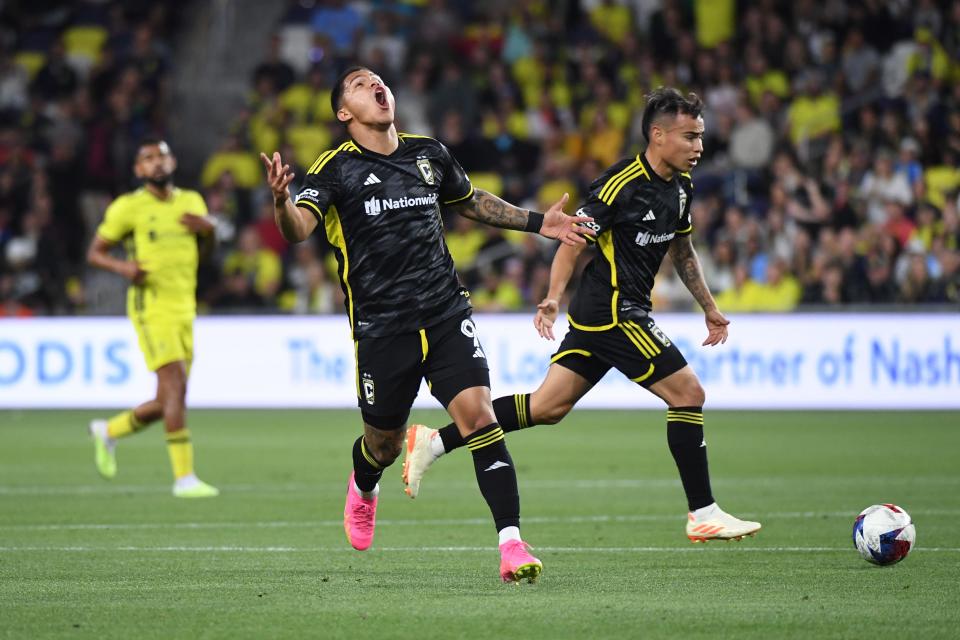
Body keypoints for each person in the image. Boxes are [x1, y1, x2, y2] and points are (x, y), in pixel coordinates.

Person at [260, 66, 594, 582]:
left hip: (444, 312)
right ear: (344, 113)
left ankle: (512, 545)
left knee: (480, 418)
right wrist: (282, 201)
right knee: (384, 446)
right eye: (358, 85)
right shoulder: (335, 168)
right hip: (382, 327)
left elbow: (473, 201)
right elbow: (299, 230)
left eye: (379, 80)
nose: (376, 86)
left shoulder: (428, 153)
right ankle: (365, 484)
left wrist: (537, 222)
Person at [403, 88, 762, 543]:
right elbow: (574, 237)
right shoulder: (619, 185)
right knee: (688, 393)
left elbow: (683, 250)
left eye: (701, 137)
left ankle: (434, 442)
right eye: (690, 137)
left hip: (612, 313)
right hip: (613, 312)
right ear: (658, 135)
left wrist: (710, 308)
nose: (699, 147)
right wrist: (553, 296)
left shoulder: (682, 189)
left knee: (546, 407)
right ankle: (702, 511)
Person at [87, 138, 219, 499]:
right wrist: (123, 266)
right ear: (138, 170)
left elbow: (205, 253)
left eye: (161, 155)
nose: (156, 163)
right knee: (175, 386)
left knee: (167, 400)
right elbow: (95, 253)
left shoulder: (192, 201)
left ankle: (109, 431)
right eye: (147, 158)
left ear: (172, 160)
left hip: (184, 307)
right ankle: (184, 478)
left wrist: (209, 231)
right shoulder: (128, 207)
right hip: (152, 308)